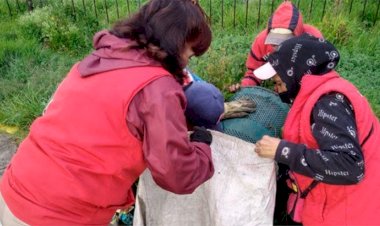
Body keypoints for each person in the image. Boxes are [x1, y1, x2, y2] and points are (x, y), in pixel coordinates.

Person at [0, 0, 216, 225]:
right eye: (189, 56)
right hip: (59, 215)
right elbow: (176, 174)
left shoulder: (100, 60)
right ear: (176, 42)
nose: (184, 65)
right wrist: (201, 148)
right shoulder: (157, 87)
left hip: (14, 188)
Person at [254, 34, 380, 225]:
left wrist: (283, 150)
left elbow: (351, 166)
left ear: (295, 74)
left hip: (349, 212)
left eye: (279, 83)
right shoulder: (321, 90)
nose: (279, 91)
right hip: (335, 199)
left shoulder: (328, 103)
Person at [229, 0, 322, 92]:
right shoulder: (262, 41)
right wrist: (244, 89)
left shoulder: (314, 41)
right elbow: (253, 73)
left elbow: (320, 77)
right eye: (274, 43)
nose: (278, 47)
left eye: (284, 42)